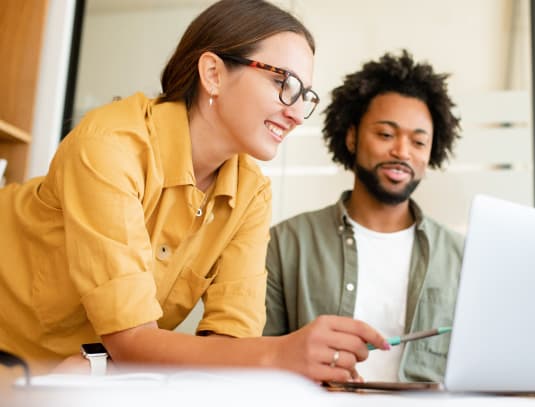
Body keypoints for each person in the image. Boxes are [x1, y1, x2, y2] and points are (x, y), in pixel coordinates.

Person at [0, 0, 388, 383]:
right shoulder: (110, 145)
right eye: (282, 83)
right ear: (213, 74)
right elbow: (133, 342)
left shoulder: (251, 193)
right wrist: (279, 353)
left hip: (70, 379)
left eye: (305, 95)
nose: (297, 113)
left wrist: (106, 364)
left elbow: (231, 344)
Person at [264, 51, 463, 382]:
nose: (402, 151)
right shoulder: (286, 244)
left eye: (418, 141)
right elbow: (255, 358)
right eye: (386, 135)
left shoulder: (461, 257)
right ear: (352, 136)